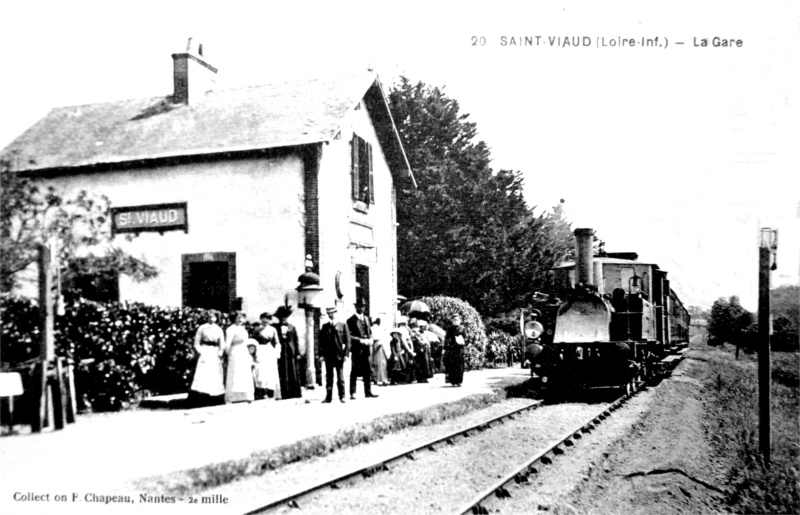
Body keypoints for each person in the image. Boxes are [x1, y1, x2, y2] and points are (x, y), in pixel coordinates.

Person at [187, 309, 225, 406]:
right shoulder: (202, 328)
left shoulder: (218, 329)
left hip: (215, 352)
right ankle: (202, 396)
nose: (211, 319)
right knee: (203, 373)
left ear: (216, 318)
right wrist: (201, 352)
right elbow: (196, 343)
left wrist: (220, 352)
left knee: (215, 372)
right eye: (209, 317)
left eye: (213, 317)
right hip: (205, 351)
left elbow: (222, 343)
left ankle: (215, 396)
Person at [347, 299, 378, 399]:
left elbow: (369, 331)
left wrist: (371, 339)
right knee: (354, 371)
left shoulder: (366, 319)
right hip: (357, 349)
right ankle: (353, 392)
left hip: (366, 349)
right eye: (359, 306)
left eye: (363, 307)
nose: (361, 308)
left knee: (367, 370)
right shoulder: (351, 320)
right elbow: (348, 336)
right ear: (356, 307)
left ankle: (368, 392)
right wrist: (360, 340)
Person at [319, 305, 351, 403]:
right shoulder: (325, 327)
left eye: (332, 313)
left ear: (335, 313)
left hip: (339, 355)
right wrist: (321, 355)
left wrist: (346, 354)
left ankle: (342, 396)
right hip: (328, 356)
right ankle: (328, 397)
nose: (330, 315)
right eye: (329, 313)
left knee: (340, 377)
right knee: (329, 378)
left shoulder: (342, 324)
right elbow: (321, 342)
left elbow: (348, 341)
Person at [224, 311, 255, 403]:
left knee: (244, 372)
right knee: (235, 373)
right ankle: (234, 397)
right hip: (235, 352)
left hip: (243, 351)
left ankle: (246, 395)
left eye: (242, 317)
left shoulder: (243, 329)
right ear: (234, 318)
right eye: (239, 317)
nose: (241, 320)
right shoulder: (230, 329)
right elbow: (227, 344)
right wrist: (227, 354)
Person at [274, 305, 302, 400]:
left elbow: (296, 340)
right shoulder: (275, 327)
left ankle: (294, 392)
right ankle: (284, 393)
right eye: (281, 317)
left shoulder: (292, 327)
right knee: (283, 371)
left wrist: (297, 352)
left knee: (292, 370)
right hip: (281, 351)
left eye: (285, 317)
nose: (283, 319)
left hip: (290, 351)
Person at [255, 312, 281, 399]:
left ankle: (270, 391)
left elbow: (277, 342)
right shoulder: (257, 329)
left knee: (270, 371)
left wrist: (277, 352)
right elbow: (253, 341)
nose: (265, 320)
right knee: (261, 371)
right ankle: (261, 391)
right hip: (260, 349)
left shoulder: (273, 329)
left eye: (267, 319)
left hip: (269, 350)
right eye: (263, 318)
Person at [443, 313, 467, 387]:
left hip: (459, 349)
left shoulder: (462, 328)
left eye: (457, 320)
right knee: (452, 366)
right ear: (452, 321)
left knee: (459, 366)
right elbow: (446, 339)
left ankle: (459, 381)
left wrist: (461, 339)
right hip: (452, 349)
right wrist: (446, 347)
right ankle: (453, 381)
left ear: (459, 320)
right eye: (454, 320)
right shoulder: (450, 329)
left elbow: (466, 338)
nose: (456, 321)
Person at [370, 318, 390, 387]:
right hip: (380, 344)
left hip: (374, 344)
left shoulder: (372, 328)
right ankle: (383, 379)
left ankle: (376, 378)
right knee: (381, 363)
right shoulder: (380, 328)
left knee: (375, 362)